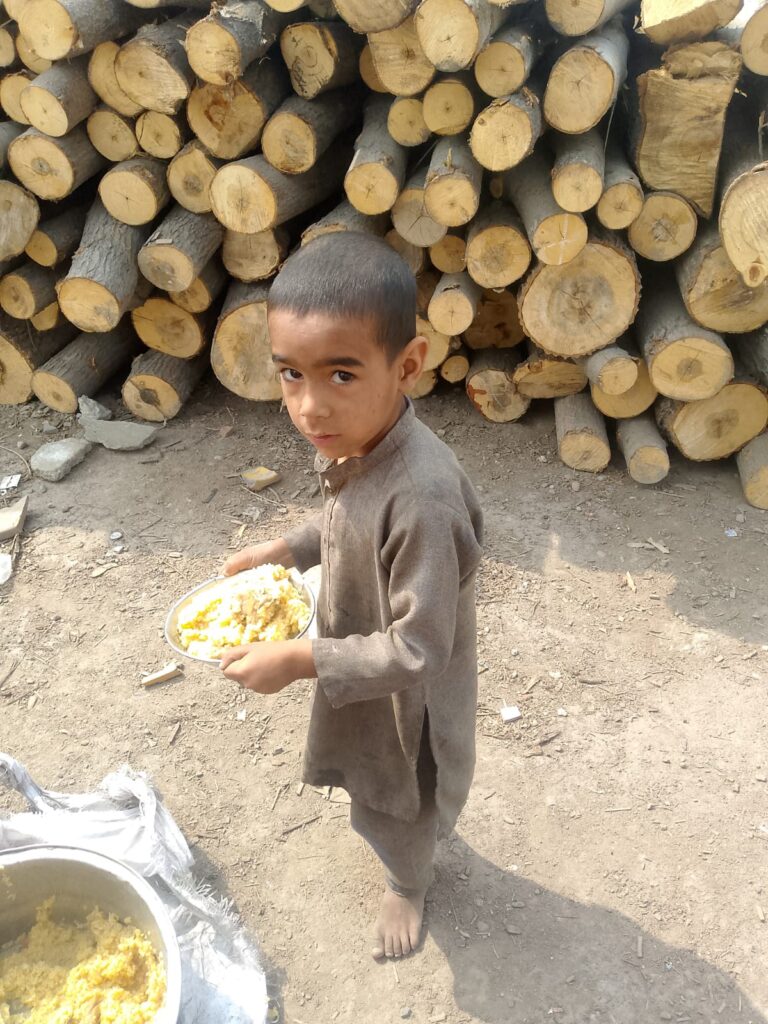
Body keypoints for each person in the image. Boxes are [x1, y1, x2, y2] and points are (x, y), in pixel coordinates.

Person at [220, 232, 483, 960]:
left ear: (408, 365)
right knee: (369, 775)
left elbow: (419, 649)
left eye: (340, 373)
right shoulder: (362, 442)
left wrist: (301, 659)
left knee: (403, 796)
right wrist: (288, 550)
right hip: (359, 659)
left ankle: (408, 882)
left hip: (409, 700)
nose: (309, 406)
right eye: (290, 375)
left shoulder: (422, 499)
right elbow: (345, 520)